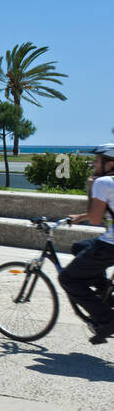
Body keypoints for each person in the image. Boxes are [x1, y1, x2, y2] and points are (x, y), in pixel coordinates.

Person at [60, 143, 114, 344]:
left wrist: (91, 189)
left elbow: (95, 220)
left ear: (110, 163)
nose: (93, 163)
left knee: (67, 279)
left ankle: (107, 319)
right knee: (80, 247)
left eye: (97, 160)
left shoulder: (104, 182)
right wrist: (80, 217)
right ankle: (104, 294)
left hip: (111, 244)